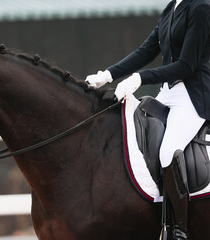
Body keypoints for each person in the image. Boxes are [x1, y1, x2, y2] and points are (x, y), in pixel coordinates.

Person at [85, 0, 210, 239]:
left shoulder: (201, 7)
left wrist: (140, 79)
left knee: (168, 151)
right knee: (131, 131)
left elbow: (187, 65)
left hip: (193, 96)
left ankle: (178, 230)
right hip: (168, 92)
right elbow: (146, 51)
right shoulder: (171, 8)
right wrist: (107, 75)